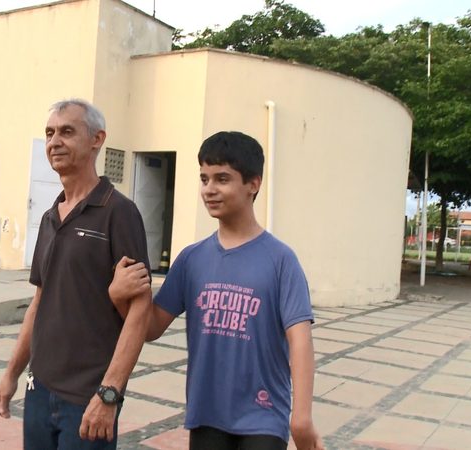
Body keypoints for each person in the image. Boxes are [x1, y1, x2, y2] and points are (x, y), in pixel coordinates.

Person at [110, 131, 324, 450]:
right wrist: (119, 297)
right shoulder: (191, 259)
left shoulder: (281, 260)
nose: (209, 189)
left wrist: (302, 418)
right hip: (206, 415)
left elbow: (300, 341)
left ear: (254, 183)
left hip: (263, 416)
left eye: (222, 179)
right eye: (204, 178)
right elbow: (152, 327)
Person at [0, 99, 152, 449]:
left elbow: (140, 312)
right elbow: (39, 303)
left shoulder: (119, 213)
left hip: (88, 396)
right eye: (49, 133)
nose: (54, 142)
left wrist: (110, 394)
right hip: (40, 389)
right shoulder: (50, 217)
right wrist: (11, 374)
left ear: (97, 139)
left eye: (66, 131)